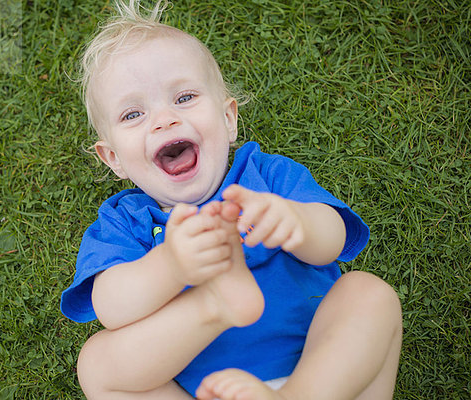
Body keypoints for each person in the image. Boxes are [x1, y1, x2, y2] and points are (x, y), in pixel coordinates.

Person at [60, 1, 403, 399]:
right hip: (212, 391)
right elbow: (111, 307)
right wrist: (171, 265)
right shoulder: (125, 223)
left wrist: (297, 222)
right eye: (133, 114)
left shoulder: (265, 176)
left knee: (368, 293)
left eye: (184, 97)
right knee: (97, 362)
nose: (164, 119)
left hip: (323, 378)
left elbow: (334, 242)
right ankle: (215, 306)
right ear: (113, 158)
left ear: (228, 119)